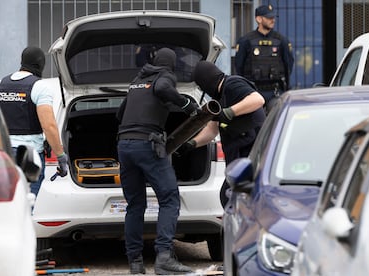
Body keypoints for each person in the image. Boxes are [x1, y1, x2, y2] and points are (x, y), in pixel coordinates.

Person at [116, 47, 197, 275]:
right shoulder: (165, 76)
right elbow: (162, 89)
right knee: (170, 199)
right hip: (147, 145)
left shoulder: (136, 80)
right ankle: (164, 258)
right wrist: (186, 105)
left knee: (135, 205)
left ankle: (135, 262)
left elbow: (120, 115)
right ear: (171, 64)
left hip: (124, 145)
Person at [179, 61, 266, 208]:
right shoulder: (218, 99)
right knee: (227, 197)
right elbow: (211, 131)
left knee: (233, 199)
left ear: (206, 80)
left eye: (201, 84)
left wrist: (229, 112)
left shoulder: (233, 83)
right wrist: (191, 144)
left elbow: (258, 99)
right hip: (237, 159)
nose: (202, 88)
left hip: (250, 156)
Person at [0, 46, 68, 197]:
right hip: (28, 157)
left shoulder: (1, 84)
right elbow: (49, 126)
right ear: (40, 64)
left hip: (4, 156)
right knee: (26, 204)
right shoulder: (39, 86)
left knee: (7, 205)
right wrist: (61, 156)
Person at [235, 4, 294, 113]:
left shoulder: (281, 41)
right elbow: (239, 67)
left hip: (274, 91)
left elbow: (288, 65)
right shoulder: (246, 41)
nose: (273, 20)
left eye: (273, 17)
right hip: (253, 92)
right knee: (255, 126)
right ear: (258, 19)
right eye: (269, 18)